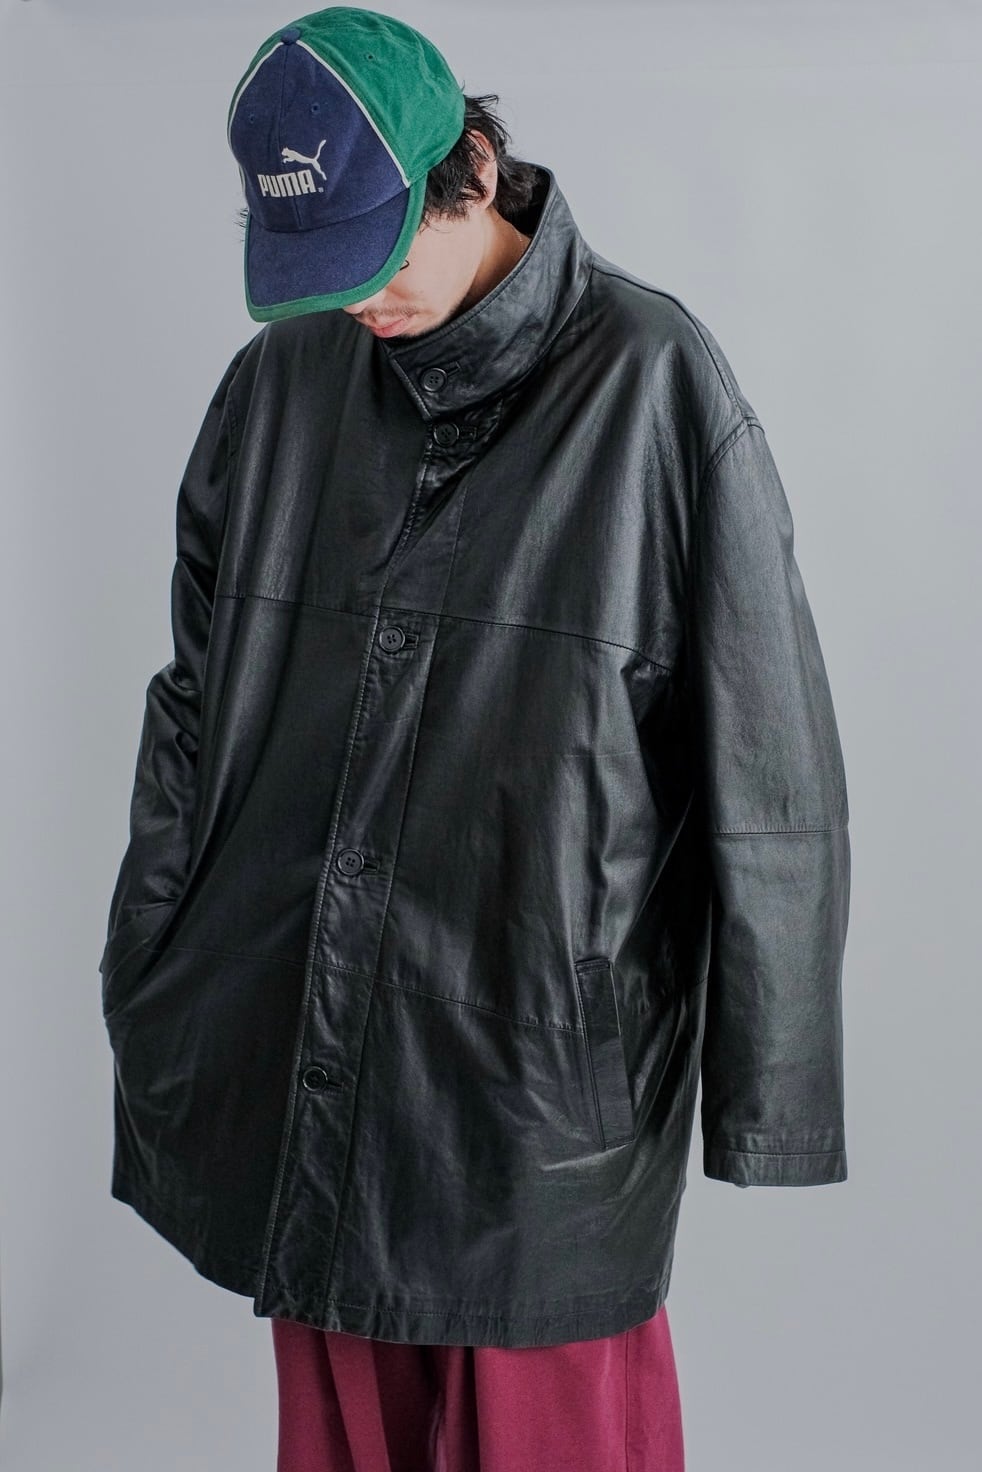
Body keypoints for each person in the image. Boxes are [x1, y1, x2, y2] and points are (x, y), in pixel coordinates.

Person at [98, 7, 851, 1469]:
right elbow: (189, 699)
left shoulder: (652, 384)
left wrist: (771, 1092)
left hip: (534, 1090)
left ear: (477, 170)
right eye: (322, 267)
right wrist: (150, 957)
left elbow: (771, 764)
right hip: (303, 1043)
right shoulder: (281, 383)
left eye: (380, 252)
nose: (358, 299)